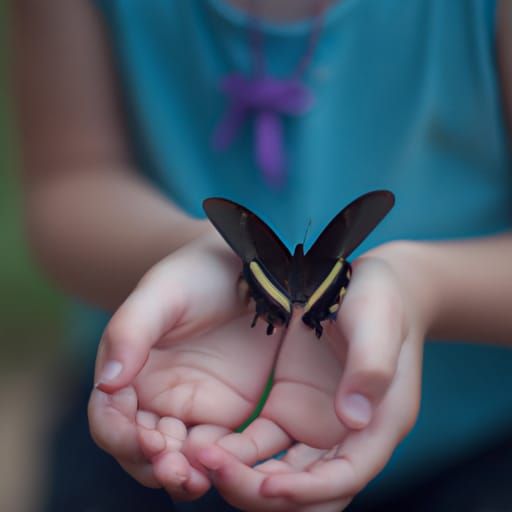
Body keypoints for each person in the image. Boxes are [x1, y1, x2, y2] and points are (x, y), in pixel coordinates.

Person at [12, 0, 512, 510]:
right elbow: (70, 184)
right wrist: (196, 254)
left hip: (475, 452)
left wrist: (420, 289)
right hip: (165, 406)